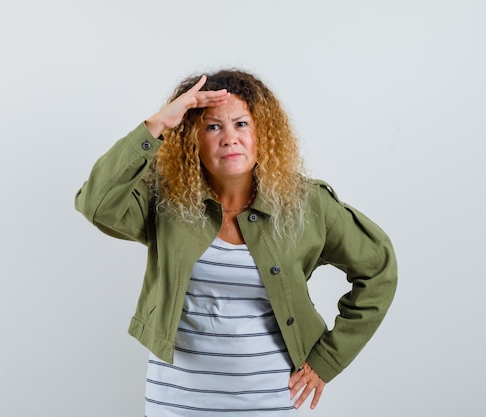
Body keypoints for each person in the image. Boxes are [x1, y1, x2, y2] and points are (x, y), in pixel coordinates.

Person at [75, 69, 397, 416]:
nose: (230, 138)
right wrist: (157, 124)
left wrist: (328, 360)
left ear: (263, 133)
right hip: (177, 402)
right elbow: (96, 204)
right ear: (192, 138)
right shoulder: (166, 200)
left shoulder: (306, 204)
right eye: (213, 127)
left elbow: (378, 269)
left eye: (241, 124)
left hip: (270, 401)